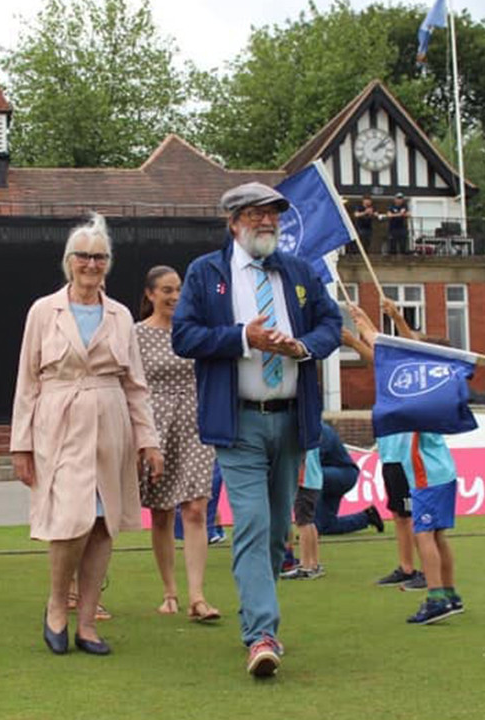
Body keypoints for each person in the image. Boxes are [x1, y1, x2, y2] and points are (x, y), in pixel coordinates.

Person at [172, 181, 342, 678]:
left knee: (273, 534)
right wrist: (243, 336)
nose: (267, 222)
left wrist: (304, 347)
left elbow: (332, 325)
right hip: (239, 420)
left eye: (273, 215)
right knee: (249, 521)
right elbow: (185, 336)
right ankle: (262, 633)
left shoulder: (299, 270)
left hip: (291, 418)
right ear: (233, 222)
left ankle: (255, 618)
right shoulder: (206, 274)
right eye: (255, 215)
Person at [11, 214, 163, 657]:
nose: (91, 264)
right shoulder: (43, 311)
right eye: (84, 256)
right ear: (68, 261)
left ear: (108, 264)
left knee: (102, 522)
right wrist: (21, 445)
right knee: (69, 520)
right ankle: (57, 603)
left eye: (99, 257)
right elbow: (26, 381)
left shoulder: (118, 316)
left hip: (111, 423)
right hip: (58, 425)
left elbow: (135, 383)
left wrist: (147, 439)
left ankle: (88, 620)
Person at [350, 303, 465, 625]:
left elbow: (392, 354)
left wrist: (366, 324)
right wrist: (383, 323)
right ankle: (450, 594)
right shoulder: (439, 387)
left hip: (426, 472)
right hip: (443, 469)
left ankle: (436, 598)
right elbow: (404, 352)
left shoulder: (423, 390)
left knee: (425, 533)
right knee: (438, 535)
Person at [136, 265, 221, 622]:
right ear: (151, 294)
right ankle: (170, 591)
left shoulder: (195, 331)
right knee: (161, 512)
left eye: (178, 290)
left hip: (196, 423)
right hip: (156, 427)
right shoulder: (136, 335)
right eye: (166, 290)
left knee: (196, 509)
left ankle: (197, 597)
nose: (174, 296)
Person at [313, 420, 383, 537]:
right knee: (325, 526)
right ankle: (367, 517)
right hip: (333, 475)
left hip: (344, 473)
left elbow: (313, 463)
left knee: (310, 476)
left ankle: (311, 526)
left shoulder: (321, 431)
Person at [281, 447, 325, 580]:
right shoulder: (313, 435)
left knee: (303, 523)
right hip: (314, 482)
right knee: (309, 522)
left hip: (304, 483)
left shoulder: (304, 437)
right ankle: (314, 563)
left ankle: (305, 566)